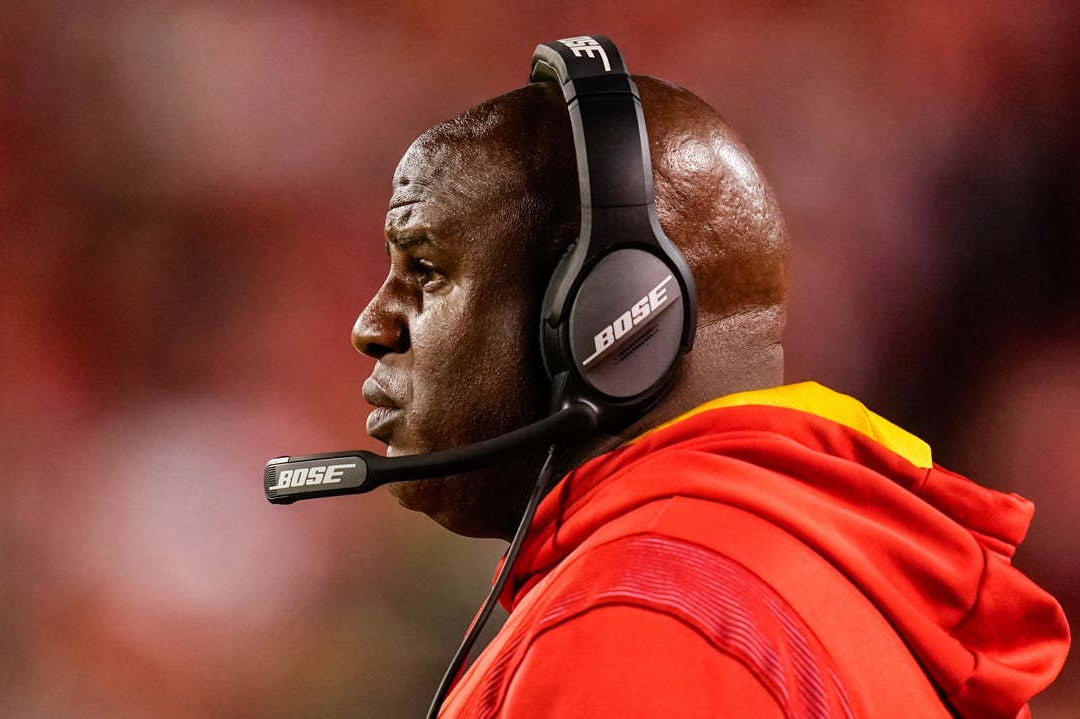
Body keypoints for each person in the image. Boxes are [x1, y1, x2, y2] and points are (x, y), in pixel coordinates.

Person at [350, 50, 1070, 718]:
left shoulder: (640, 625)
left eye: (426, 271)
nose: (371, 324)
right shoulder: (816, 572)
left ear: (602, 309)